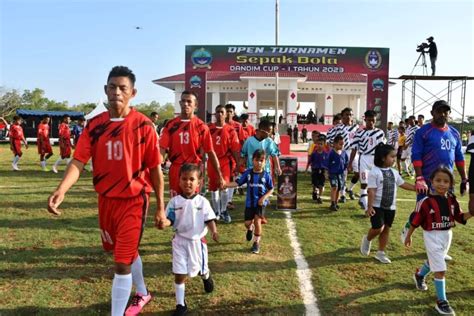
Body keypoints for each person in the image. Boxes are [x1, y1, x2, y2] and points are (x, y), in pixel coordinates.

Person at [47, 66, 165, 316]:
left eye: (123, 88)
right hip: (106, 201)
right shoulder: (94, 126)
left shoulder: (144, 125)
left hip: (134, 201)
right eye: (112, 87)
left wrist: (161, 207)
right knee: (125, 251)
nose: (117, 92)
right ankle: (142, 292)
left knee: (121, 264)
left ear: (133, 93)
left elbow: (155, 170)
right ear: (105, 90)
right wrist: (62, 190)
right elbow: (78, 161)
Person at [404, 167, 472, 315]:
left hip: (447, 234)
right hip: (432, 236)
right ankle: (441, 302)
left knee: (435, 260)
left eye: (446, 181)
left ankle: (419, 275)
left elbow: (460, 217)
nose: (442, 184)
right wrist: (408, 235)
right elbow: (416, 220)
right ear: (432, 182)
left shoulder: (452, 199)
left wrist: (471, 213)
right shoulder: (425, 202)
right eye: (438, 180)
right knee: (440, 269)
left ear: (451, 184)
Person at [159, 164, 218, 316]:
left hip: (197, 242)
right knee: (179, 274)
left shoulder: (202, 202)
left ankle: (206, 275)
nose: (188, 182)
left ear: (199, 182)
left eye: (192, 179)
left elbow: (210, 219)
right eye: (184, 179)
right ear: (179, 181)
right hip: (179, 241)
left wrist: (214, 231)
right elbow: (170, 219)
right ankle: (181, 305)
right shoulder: (174, 202)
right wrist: (164, 223)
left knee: (199, 270)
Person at [160, 91, 224, 197]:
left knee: (193, 206)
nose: (186, 104)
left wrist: (219, 174)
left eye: (189, 101)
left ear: (196, 104)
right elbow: (161, 148)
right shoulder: (170, 125)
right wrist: (158, 167)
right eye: (183, 101)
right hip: (176, 169)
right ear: (180, 103)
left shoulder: (202, 126)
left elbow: (210, 152)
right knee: (177, 205)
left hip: (194, 170)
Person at [360, 144, 415, 263]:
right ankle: (367, 239)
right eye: (392, 157)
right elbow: (372, 191)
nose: (394, 159)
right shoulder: (374, 172)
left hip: (391, 207)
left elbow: (402, 184)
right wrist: (369, 207)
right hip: (377, 206)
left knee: (387, 229)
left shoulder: (394, 172)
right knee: (378, 228)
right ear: (383, 158)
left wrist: (415, 188)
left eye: (395, 157)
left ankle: (381, 252)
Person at [227, 149, 274, 254]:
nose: (259, 163)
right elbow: (238, 183)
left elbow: (271, 188)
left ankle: (256, 243)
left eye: (262, 160)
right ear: (252, 161)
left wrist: (264, 198)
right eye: (257, 160)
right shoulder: (248, 173)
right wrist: (225, 185)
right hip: (249, 203)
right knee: (247, 223)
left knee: (257, 221)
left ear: (265, 162)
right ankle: (250, 228)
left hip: (260, 204)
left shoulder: (266, 175)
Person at [208, 104, 240, 223]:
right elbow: (203, 147)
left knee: (224, 186)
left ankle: (223, 210)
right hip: (211, 161)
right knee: (213, 187)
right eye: (217, 112)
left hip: (224, 161)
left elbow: (235, 149)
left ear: (226, 114)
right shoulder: (209, 128)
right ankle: (216, 212)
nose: (219, 114)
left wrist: (237, 164)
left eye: (222, 112)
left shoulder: (231, 130)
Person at [348, 110, 386, 210]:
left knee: (375, 184)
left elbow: (382, 148)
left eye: (373, 120)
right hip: (364, 158)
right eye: (369, 120)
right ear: (365, 119)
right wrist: (350, 163)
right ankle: (366, 208)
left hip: (376, 159)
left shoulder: (380, 133)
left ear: (375, 120)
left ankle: (366, 201)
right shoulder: (359, 133)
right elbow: (354, 149)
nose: (371, 122)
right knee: (364, 183)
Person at [225, 103, 245, 210]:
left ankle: (229, 200)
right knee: (222, 177)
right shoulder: (220, 125)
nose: (228, 113)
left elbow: (241, 141)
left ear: (233, 113)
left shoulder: (238, 126)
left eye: (230, 112)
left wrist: (241, 157)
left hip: (234, 156)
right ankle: (222, 200)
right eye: (227, 111)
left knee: (232, 177)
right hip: (222, 155)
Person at [327, 135, 348, 211]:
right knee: (334, 187)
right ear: (335, 144)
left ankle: (336, 202)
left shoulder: (344, 153)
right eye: (340, 144)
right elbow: (328, 163)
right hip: (333, 173)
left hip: (341, 174)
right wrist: (327, 172)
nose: (342, 146)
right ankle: (332, 203)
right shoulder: (331, 153)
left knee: (339, 188)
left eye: (343, 144)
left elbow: (346, 162)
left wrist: (346, 169)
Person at [306, 134, 328, 203]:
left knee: (321, 184)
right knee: (315, 184)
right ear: (316, 144)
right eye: (318, 144)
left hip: (323, 171)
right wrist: (306, 169)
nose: (319, 145)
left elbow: (327, 163)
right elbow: (309, 161)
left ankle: (320, 197)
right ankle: (314, 192)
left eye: (321, 144)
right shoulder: (314, 153)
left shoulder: (325, 154)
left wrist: (327, 172)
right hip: (315, 170)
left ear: (324, 144)